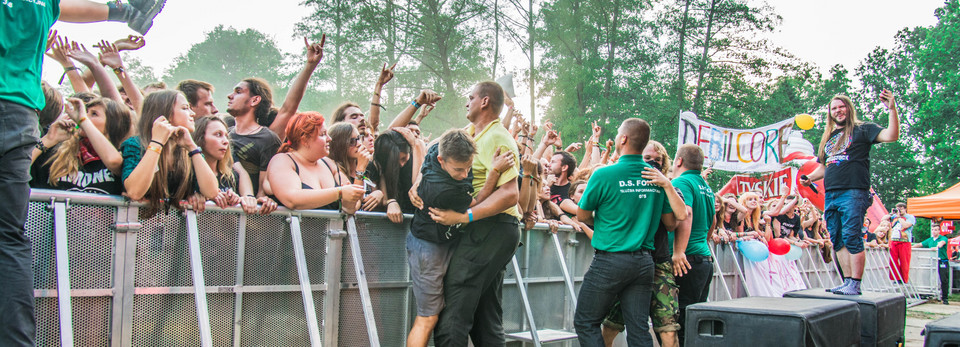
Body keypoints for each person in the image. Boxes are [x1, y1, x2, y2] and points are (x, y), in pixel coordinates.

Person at [421, 81, 521, 346]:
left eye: (470, 97)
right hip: (487, 229)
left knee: (454, 306)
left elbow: (511, 194)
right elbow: (435, 157)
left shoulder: (499, 137)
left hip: (493, 227)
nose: (466, 102)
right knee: (485, 316)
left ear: (484, 101)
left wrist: (465, 217)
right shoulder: (468, 133)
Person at [573, 118, 685, 346]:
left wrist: (605, 219)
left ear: (622, 139)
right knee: (639, 329)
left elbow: (582, 215)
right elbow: (671, 222)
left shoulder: (604, 174)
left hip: (610, 260)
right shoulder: (657, 179)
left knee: (586, 321)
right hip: (644, 263)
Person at [406, 129, 502, 347]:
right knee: (427, 317)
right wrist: (494, 172)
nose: (464, 174)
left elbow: (441, 139)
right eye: (458, 169)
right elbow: (477, 202)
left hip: (444, 242)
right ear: (441, 160)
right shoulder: (442, 190)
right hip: (428, 249)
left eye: (469, 167)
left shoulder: (437, 151)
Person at [800, 91, 900, 295]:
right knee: (836, 238)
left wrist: (892, 109)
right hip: (832, 194)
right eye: (833, 108)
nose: (838, 111)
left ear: (849, 108)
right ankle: (847, 282)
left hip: (854, 191)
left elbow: (892, 136)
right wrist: (810, 178)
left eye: (841, 106)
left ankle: (855, 282)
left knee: (852, 235)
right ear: (829, 113)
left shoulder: (862, 130)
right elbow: (825, 167)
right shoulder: (829, 137)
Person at [600, 140, 684, 347]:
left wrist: (665, 184)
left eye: (658, 160)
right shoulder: (623, 183)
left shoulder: (669, 187)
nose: (653, 164)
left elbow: (675, 221)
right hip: (626, 261)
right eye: (648, 159)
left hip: (659, 263)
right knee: (611, 325)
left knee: (668, 329)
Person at [228, 37, 324, 196]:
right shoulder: (225, 133)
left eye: (238, 92)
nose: (229, 96)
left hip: (252, 212)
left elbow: (288, 108)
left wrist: (309, 66)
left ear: (255, 100)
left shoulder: (266, 137)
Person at [120, 90, 220, 217]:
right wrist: (157, 142)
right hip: (138, 229)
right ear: (166, 115)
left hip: (171, 232)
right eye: (185, 108)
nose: (192, 113)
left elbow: (211, 192)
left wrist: (192, 147)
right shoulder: (136, 145)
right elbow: (134, 192)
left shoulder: (187, 150)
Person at [265, 112, 364, 212]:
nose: (329, 139)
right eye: (323, 134)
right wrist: (339, 192)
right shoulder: (282, 160)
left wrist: (360, 169)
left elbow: (352, 206)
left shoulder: (330, 164)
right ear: (304, 140)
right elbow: (292, 199)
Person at [31, 98, 129, 195]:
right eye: (85, 112)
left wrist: (83, 121)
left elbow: (113, 161)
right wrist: (48, 140)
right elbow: (19, 169)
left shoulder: (124, 155)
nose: (83, 116)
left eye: (94, 114)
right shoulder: (57, 150)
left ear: (113, 124)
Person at [669, 144, 716, 347]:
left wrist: (679, 251)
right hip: (703, 259)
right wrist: (702, 243)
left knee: (683, 319)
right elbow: (713, 220)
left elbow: (685, 213)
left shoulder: (682, 181)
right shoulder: (705, 186)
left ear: (679, 161)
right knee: (695, 318)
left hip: (687, 261)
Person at [190, 115, 275, 215]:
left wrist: (241, 202)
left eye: (226, 136)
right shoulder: (188, 175)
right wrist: (190, 198)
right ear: (200, 139)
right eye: (218, 134)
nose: (225, 141)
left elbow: (245, 208)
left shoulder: (231, 177)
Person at [914, 222, 950, 304]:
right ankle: (926, 292)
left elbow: (941, 244)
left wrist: (937, 247)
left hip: (942, 261)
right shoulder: (930, 240)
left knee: (944, 279)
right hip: (932, 261)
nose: (934, 231)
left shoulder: (943, 238)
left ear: (939, 231)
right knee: (925, 275)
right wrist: (910, 247)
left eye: (936, 230)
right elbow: (920, 244)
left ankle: (945, 298)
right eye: (933, 230)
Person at [888, 202, 916, 283]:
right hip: (894, 240)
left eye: (901, 208)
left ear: (905, 209)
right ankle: (895, 278)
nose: (899, 210)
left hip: (904, 241)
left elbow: (905, 225)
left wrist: (899, 217)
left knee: (904, 261)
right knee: (893, 260)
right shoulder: (894, 217)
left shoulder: (910, 217)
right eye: (898, 208)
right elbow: (884, 219)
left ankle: (904, 279)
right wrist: (891, 214)